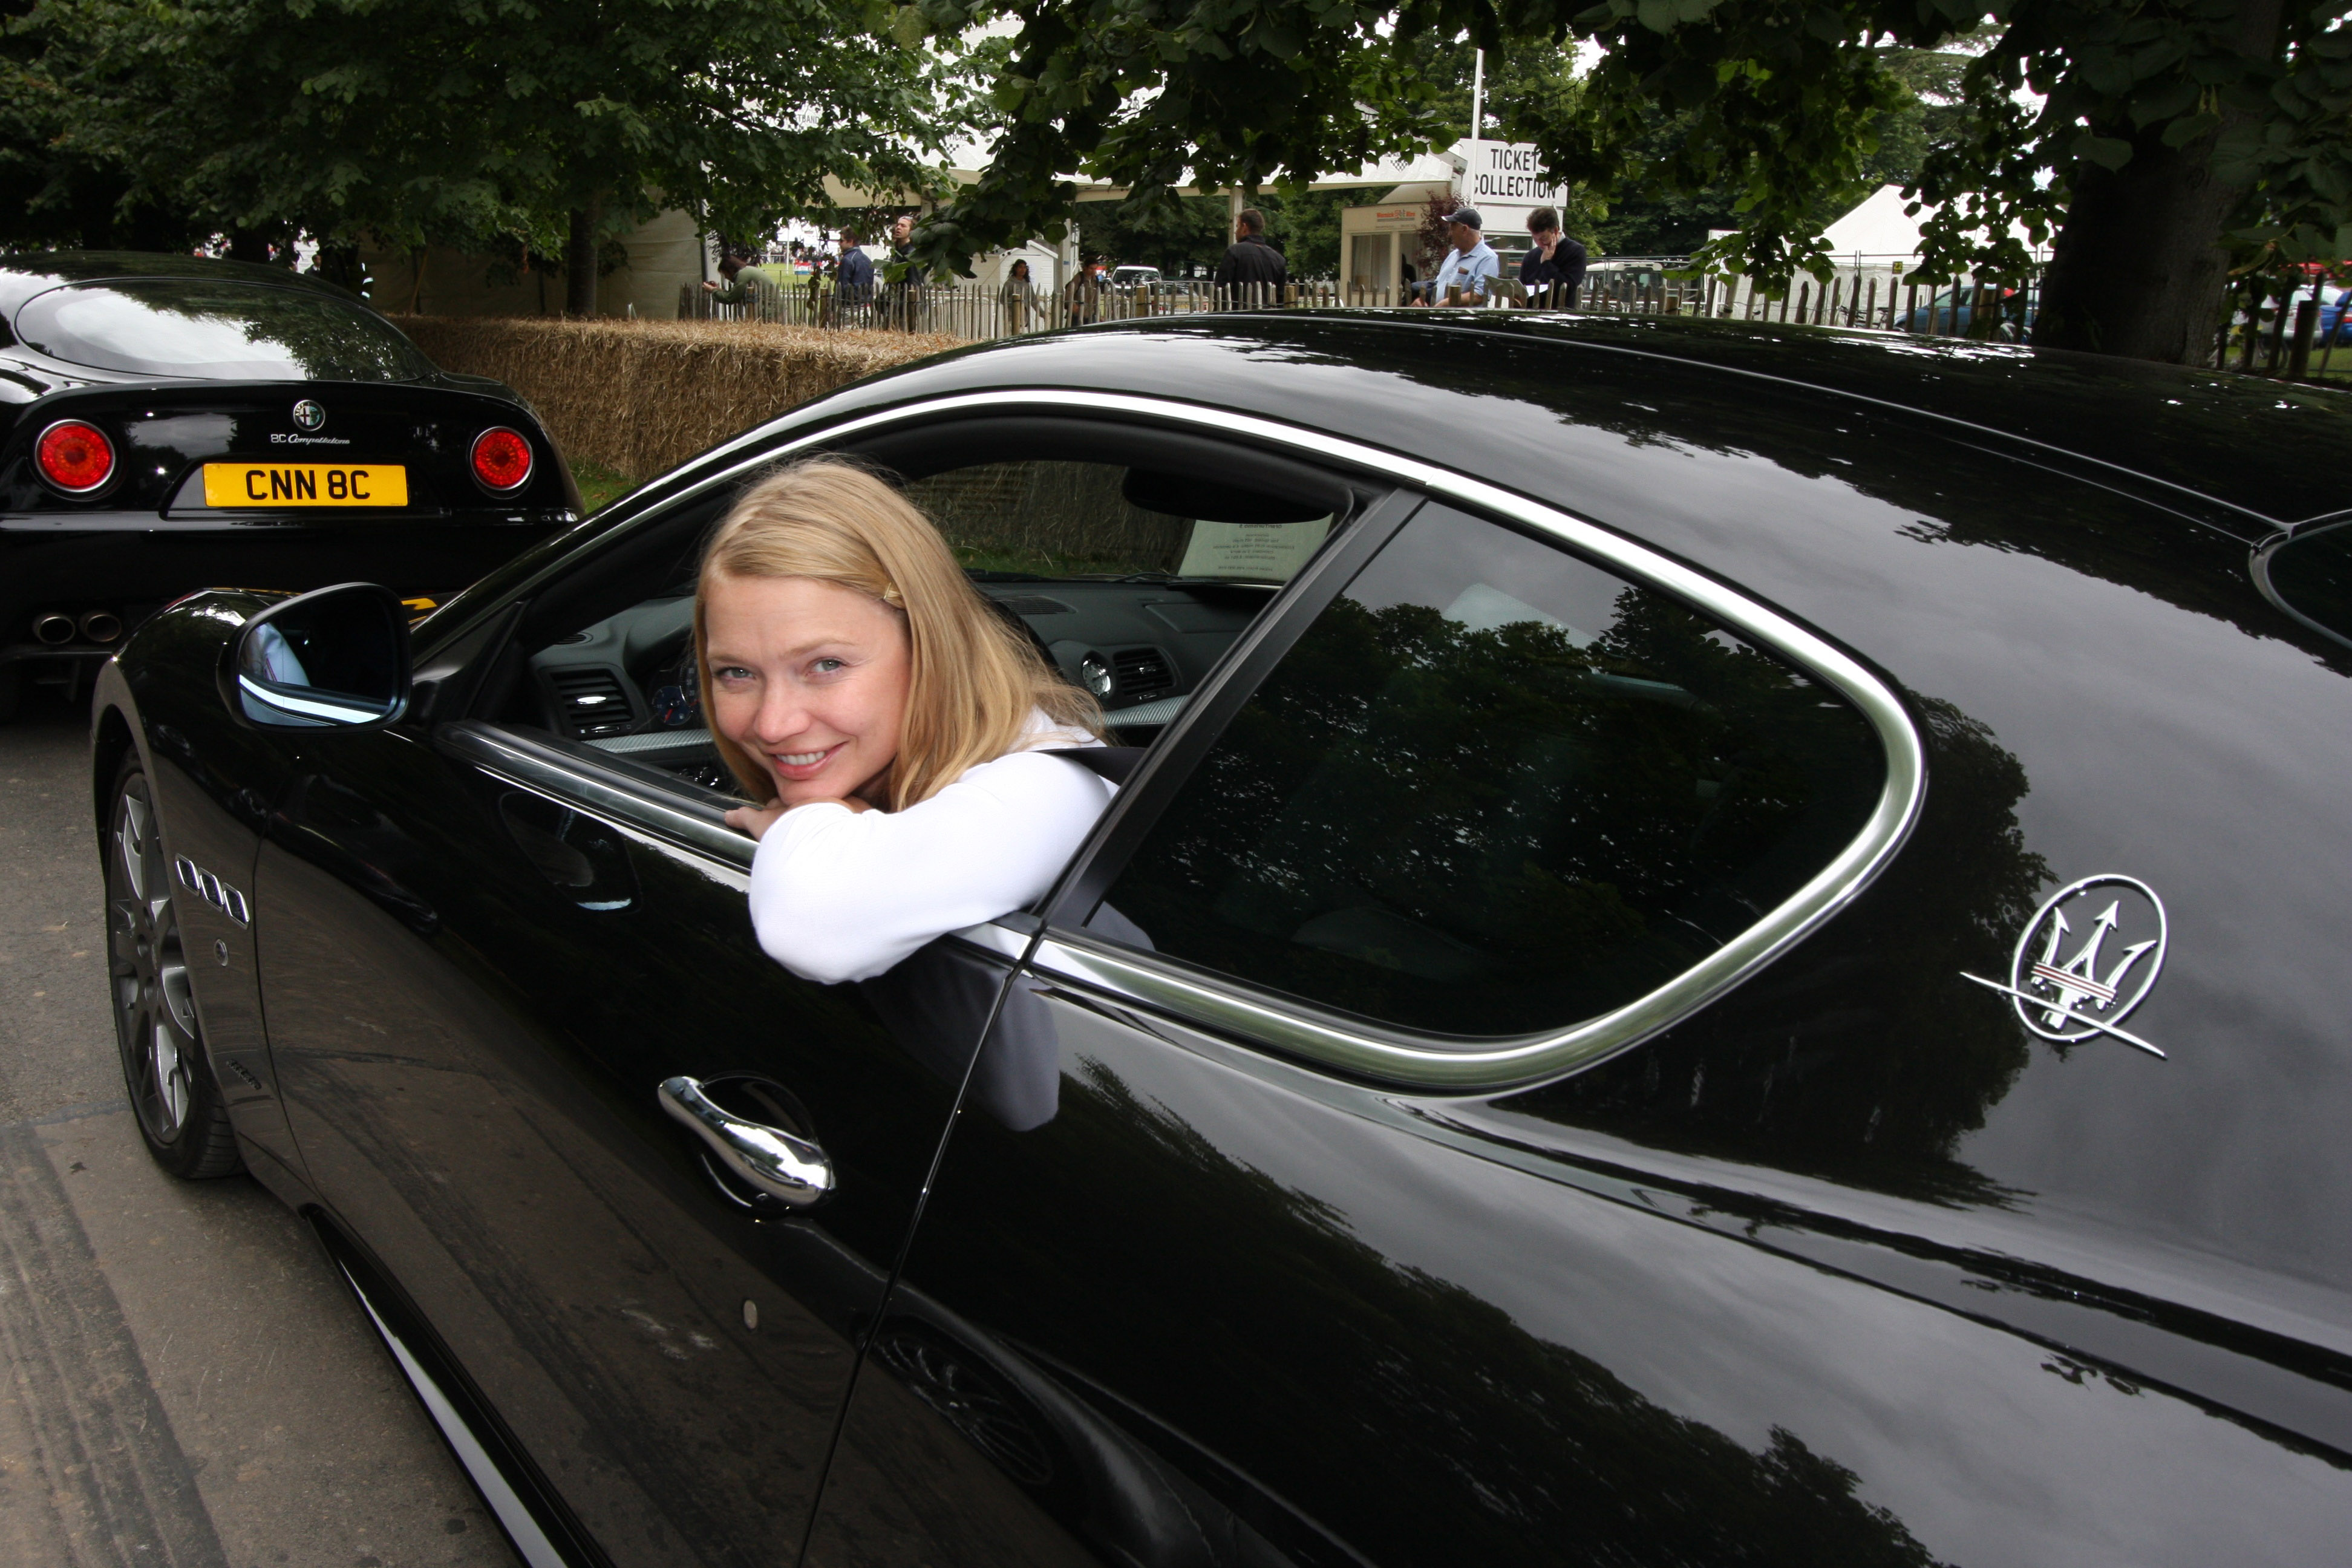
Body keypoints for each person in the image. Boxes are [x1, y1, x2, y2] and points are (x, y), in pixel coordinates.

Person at [700, 459, 1114, 984]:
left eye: (827, 665)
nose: (774, 724)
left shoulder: (1055, 781)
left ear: (930, 646)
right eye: (736, 673)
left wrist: (809, 824)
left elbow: (812, 931)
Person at [1411, 207, 1498, 309]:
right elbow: (1437, 285)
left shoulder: (1487, 258)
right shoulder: (1453, 255)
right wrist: (1422, 300)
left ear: (1464, 230)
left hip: (1462, 322)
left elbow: (1480, 295)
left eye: (1452, 229)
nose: (1450, 234)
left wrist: (1447, 302)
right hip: (1440, 317)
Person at [1520, 206, 1588, 309]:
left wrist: (1546, 264)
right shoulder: (1530, 257)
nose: (1539, 244)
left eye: (1543, 238)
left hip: (1560, 316)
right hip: (1531, 315)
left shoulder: (1575, 251)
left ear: (1555, 230)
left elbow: (1568, 288)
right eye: (1535, 239)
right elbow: (1522, 289)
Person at [1214, 207, 1287, 300]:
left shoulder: (1234, 252)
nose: (1236, 231)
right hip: (1267, 313)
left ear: (1244, 227)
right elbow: (1281, 296)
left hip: (1238, 313)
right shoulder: (1279, 259)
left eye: (1237, 226)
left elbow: (1221, 289)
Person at [701, 246, 782, 316]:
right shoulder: (747, 271)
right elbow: (735, 294)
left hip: (770, 313)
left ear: (730, 270)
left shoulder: (743, 275)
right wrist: (718, 290)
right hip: (774, 310)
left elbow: (731, 298)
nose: (726, 277)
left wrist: (713, 291)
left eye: (725, 274)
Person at [834, 225, 875, 315]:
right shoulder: (867, 259)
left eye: (841, 241)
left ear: (850, 242)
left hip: (850, 308)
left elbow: (842, 286)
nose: (839, 244)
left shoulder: (848, 260)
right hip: (867, 308)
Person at [999, 257, 1039, 333]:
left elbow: (1033, 300)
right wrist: (1015, 301)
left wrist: (1043, 314)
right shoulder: (1009, 283)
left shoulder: (1027, 284)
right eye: (1020, 267)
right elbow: (1002, 299)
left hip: (1024, 319)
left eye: (1024, 267)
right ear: (1015, 269)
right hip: (1012, 318)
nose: (1023, 270)